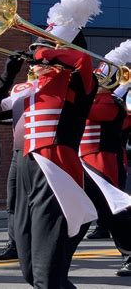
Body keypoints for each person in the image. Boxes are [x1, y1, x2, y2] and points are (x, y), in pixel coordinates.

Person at [0, 0, 102, 287]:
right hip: (25, 172)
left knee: (47, 275)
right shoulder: (26, 89)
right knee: (33, 271)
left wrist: (46, 51)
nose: (37, 56)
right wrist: (7, 75)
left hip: (55, 169)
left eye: (47, 46)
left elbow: (81, 61)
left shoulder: (78, 84)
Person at [78, 41, 131, 277]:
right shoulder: (93, 100)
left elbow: (87, 111)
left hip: (103, 163)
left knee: (114, 213)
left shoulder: (110, 102)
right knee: (77, 211)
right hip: (82, 161)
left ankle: (130, 255)